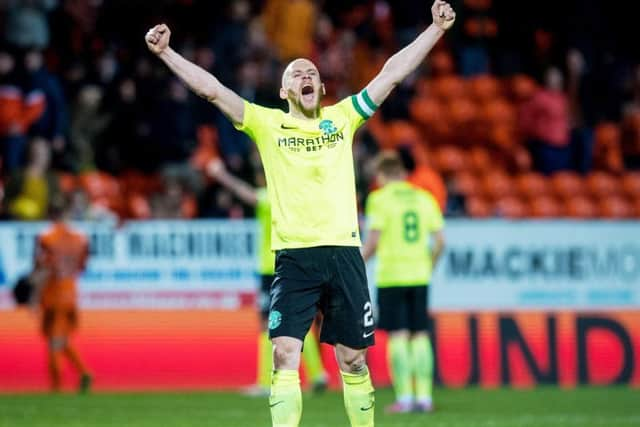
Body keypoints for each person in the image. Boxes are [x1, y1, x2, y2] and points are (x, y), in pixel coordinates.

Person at [145, 2, 455, 425]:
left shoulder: (342, 117)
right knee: (284, 352)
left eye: (311, 73)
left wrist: (435, 29)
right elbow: (213, 90)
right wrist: (167, 54)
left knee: (353, 362)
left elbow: (392, 73)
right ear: (284, 91)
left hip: (344, 253)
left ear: (322, 86)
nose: (306, 77)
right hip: (294, 258)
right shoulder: (267, 124)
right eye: (296, 74)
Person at [208, 158, 328, 395]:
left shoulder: (272, 197)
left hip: (270, 268)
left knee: (267, 324)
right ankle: (318, 373)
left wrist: (221, 175)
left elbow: (249, 195)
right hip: (297, 264)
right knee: (300, 322)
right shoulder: (298, 198)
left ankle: (265, 382)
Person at [361, 152, 445, 413]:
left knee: (398, 335)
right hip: (419, 275)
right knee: (420, 334)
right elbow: (441, 241)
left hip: (392, 276)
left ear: (382, 175)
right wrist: (428, 265)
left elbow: (373, 242)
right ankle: (425, 398)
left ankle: (405, 398)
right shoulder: (424, 198)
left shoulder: (379, 199)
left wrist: (354, 264)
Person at [33, 195, 92, 393]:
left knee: (54, 341)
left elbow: (40, 267)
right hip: (70, 292)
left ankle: (56, 386)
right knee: (60, 338)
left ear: (49, 213)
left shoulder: (45, 237)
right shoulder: (80, 238)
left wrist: (34, 296)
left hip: (52, 293)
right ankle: (83, 372)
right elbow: (83, 266)